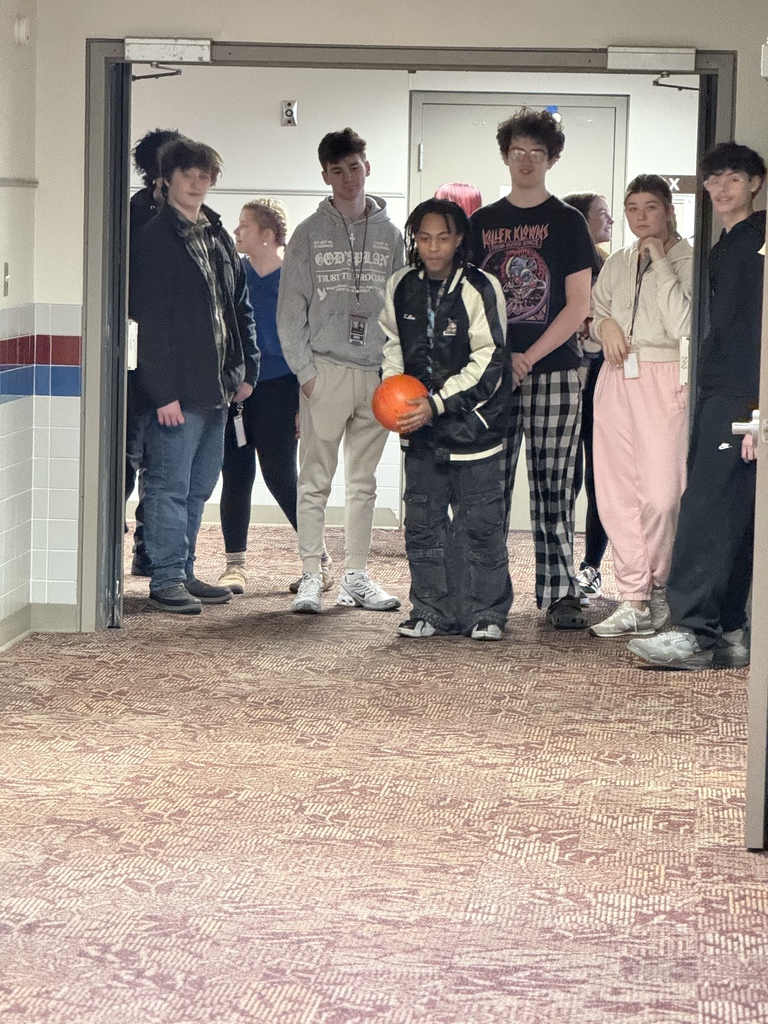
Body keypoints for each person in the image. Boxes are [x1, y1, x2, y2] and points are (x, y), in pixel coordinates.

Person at [629, 142, 766, 669]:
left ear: (755, 183)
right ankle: (727, 629)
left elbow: (760, 332)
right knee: (729, 510)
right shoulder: (726, 243)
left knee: (707, 512)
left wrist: (758, 407)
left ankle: (692, 631)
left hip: (741, 395)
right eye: (712, 181)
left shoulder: (759, 240)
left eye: (733, 178)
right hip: (718, 389)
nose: (722, 189)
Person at [469, 108, 594, 629]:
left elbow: (577, 305)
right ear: (505, 155)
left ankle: (561, 589)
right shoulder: (480, 224)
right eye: (517, 152)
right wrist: (501, 360)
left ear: (552, 159)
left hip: (555, 370)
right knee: (488, 483)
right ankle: (485, 591)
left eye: (536, 154)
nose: (526, 161)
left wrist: (529, 357)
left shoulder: (568, 221)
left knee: (554, 482)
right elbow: (468, 303)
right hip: (491, 375)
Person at [277, 127, 404, 614]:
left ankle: (356, 575)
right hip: (324, 371)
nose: (348, 178)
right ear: (325, 175)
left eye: (355, 167)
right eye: (337, 170)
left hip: (374, 373)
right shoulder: (309, 234)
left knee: (364, 483)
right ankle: (312, 573)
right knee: (314, 479)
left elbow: (396, 308)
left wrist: (392, 370)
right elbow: (291, 310)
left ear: (366, 167)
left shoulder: (392, 235)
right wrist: (306, 374)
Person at [129, 139, 259, 614]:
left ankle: (183, 570)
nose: (197, 183)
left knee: (200, 486)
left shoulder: (218, 234)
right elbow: (149, 321)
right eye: (188, 174)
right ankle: (164, 579)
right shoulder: (153, 237)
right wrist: (161, 392)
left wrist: (248, 370)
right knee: (168, 485)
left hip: (219, 386)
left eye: (205, 175)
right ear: (168, 179)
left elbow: (238, 307)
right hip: (175, 394)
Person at [379, 198, 512, 640]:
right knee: (424, 524)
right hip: (419, 432)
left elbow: (491, 358)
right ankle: (429, 611)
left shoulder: (480, 286)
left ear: (458, 240)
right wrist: (394, 392)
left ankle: (486, 614)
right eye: (424, 237)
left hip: (474, 429)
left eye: (442, 237)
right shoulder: (400, 286)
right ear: (413, 240)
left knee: (481, 526)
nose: (433, 247)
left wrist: (438, 403)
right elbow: (392, 347)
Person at [587, 175, 693, 638]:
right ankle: (632, 596)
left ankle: (661, 589)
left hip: (666, 375)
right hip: (615, 378)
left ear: (669, 210)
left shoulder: (690, 259)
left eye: (651, 207)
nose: (641, 216)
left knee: (663, 493)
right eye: (632, 208)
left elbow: (685, 324)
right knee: (615, 494)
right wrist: (604, 326)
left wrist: (662, 263)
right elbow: (595, 313)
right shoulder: (617, 262)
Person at [215, 199, 333, 595]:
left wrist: (306, 401)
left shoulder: (295, 279)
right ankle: (234, 565)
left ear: (266, 235)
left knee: (281, 475)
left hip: (283, 387)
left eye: (244, 226)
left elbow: (310, 343)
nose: (237, 233)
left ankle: (318, 561)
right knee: (235, 472)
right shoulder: (236, 274)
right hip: (239, 387)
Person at [127, 127, 185, 577]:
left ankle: (151, 548)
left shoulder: (193, 214)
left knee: (166, 466)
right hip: (134, 356)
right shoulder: (136, 210)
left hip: (177, 359)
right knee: (130, 456)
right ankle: (119, 540)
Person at [562, 191, 613, 605]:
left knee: (600, 477)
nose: (611, 221)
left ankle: (591, 566)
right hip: (562, 375)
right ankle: (560, 566)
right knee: (566, 477)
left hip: (600, 379)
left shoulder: (610, 266)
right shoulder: (563, 264)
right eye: (603, 215)